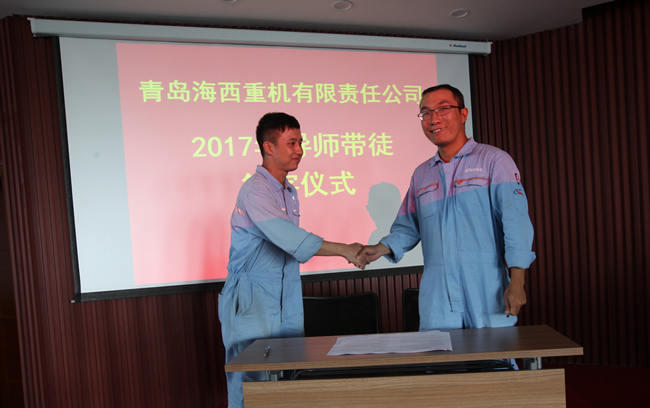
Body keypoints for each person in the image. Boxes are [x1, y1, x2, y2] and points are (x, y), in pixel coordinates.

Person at [358, 84, 535, 331]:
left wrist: (517, 282)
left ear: (463, 114)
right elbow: (409, 227)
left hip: (487, 289)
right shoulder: (422, 174)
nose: (434, 119)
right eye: (426, 113)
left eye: (443, 109)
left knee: (494, 353)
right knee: (439, 352)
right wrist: (380, 248)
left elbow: (516, 224)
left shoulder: (494, 161)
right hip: (438, 294)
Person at [218, 112, 365, 408]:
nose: (299, 150)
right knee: (252, 384)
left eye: (301, 142)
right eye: (292, 143)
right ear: (269, 147)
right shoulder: (255, 190)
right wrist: (346, 250)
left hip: (284, 295)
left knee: (287, 379)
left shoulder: (288, 191)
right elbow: (290, 239)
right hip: (253, 299)